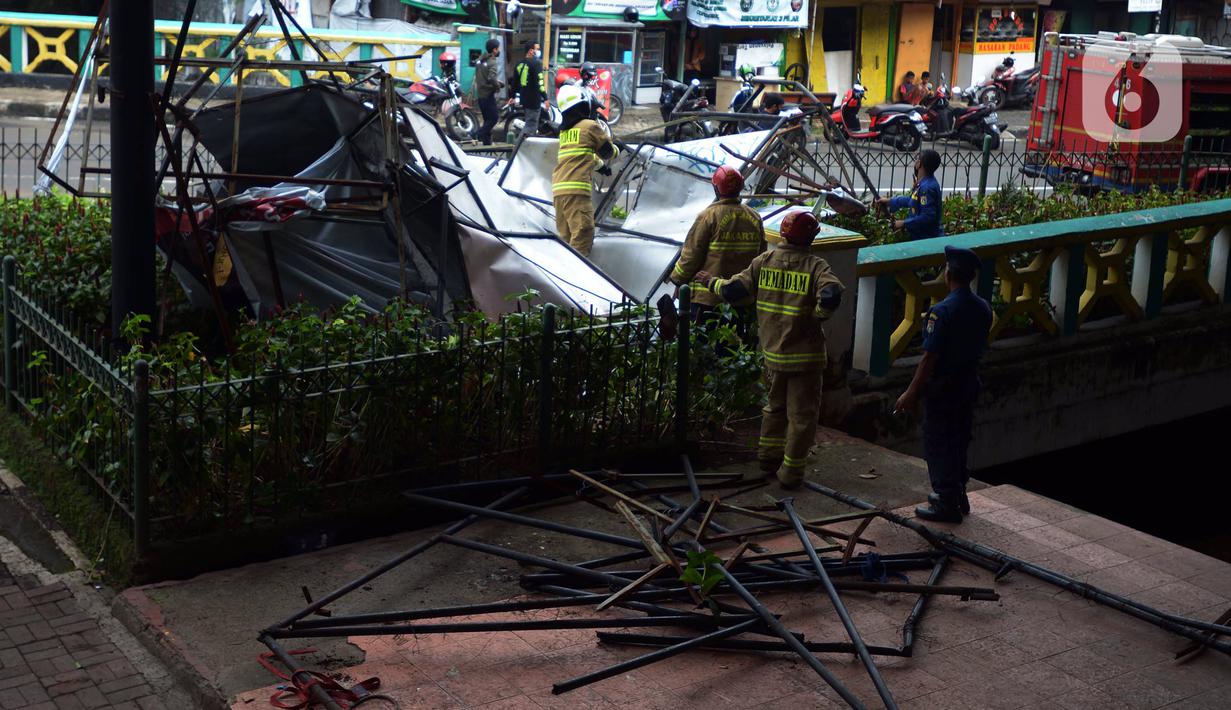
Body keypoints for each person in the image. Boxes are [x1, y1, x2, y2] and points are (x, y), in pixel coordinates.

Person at [695, 211, 844, 488]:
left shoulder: (765, 261)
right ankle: (791, 473)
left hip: (773, 355)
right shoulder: (816, 266)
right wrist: (819, 316)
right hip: (806, 360)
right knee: (801, 416)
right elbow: (831, 294)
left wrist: (710, 282)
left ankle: (768, 456)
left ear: (784, 235)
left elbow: (734, 290)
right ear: (812, 237)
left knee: (774, 406)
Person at [894, 246, 992, 522]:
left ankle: (946, 501)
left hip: (944, 388)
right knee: (960, 437)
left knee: (938, 440)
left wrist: (911, 392)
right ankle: (958, 493)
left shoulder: (941, 311)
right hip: (969, 383)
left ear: (948, 273)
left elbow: (929, 358)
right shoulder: (983, 307)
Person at [668, 166, 765, 321]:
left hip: (708, 299)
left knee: (704, 335)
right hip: (742, 298)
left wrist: (678, 280)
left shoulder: (709, 216)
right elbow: (762, 256)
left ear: (716, 188)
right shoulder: (754, 217)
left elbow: (691, 255)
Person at [552, 84, 618, 257]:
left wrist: (601, 167)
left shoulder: (565, 132)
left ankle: (562, 268)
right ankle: (575, 271)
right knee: (583, 232)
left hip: (559, 192)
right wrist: (617, 148)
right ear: (583, 105)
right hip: (576, 191)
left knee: (566, 238)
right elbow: (608, 152)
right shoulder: (590, 126)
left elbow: (580, 156)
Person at [877, 148, 943, 240]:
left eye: (917, 159)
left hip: (926, 239)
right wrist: (890, 201)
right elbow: (912, 200)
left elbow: (927, 216)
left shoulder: (927, 188)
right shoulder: (925, 183)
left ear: (919, 164)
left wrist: (904, 223)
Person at [474, 39, 504, 145]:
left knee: (487, 120)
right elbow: (491, 78)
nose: (499, 51)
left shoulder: (480, 60)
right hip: (488, 94)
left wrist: (496, 82)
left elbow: (484, 76)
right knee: (494, 118)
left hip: (480, 95)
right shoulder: (492, 62)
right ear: (494, 50)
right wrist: (498, 86)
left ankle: (487, 143)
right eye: (498, 49)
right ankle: (476, 135)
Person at [512, 42, 545, 135]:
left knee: (529, 124)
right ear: (531, 51)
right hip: (534, 99)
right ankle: (520, 142)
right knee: (531, 126)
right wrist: (545, 98)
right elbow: (540, 82)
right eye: (537, 49)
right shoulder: (536, 63)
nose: (539, 51)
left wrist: (512, 96)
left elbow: (514, 82)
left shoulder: (519, 63)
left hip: (524, 99)